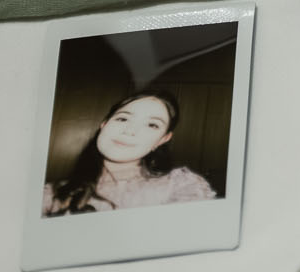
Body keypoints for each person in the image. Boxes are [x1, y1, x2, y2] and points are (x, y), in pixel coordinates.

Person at [42, 90, 217, 215]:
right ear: (104, 125)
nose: (130, 130)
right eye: (123, 118)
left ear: (163, 139)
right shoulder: (52, 194)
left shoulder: (182, 187)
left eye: (152, 125)